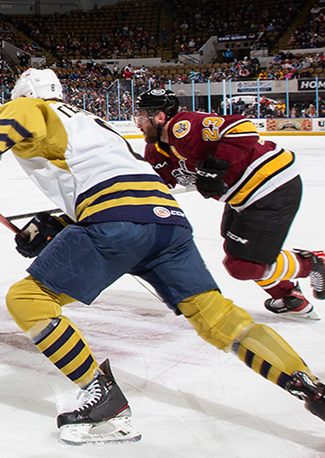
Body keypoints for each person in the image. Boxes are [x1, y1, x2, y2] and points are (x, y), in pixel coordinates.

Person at [0, 67, 325, 444]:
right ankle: (306, 384)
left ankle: (102, 397)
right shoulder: (92, 123)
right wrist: (59, 227)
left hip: (116, 218)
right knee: (218, 316)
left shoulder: (37, 110)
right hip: (168, 222)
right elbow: (110, 179)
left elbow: (21, 115)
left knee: (27, 300)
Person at [136, 89, 325, 318]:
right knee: (236, 250)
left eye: (142, 117)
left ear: (160, 117)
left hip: (271, 184)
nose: (138, 123)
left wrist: (216, 165)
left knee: (242, 265)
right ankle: (288, 296)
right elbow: (157, 185)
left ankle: (314, 262)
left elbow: (242, 129)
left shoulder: (184, 126)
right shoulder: (154, 151)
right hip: (244, 196)